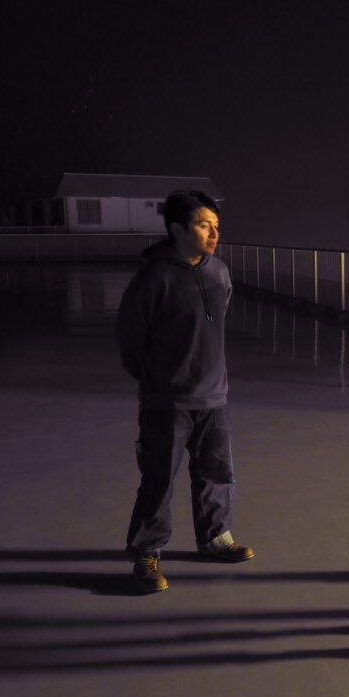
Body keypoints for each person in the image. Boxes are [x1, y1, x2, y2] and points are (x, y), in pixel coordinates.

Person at [116, 190, 254, 594]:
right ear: (177, 229)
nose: (214, 233)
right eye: (203, 225)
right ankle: (146, 551)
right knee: (158, 479)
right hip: (167, 401)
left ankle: (215, 537)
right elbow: (131, 336)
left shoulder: (219, 272)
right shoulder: (154, 277)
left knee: (216, 473)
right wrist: (156, 379)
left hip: (215, 397)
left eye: (216, 225)